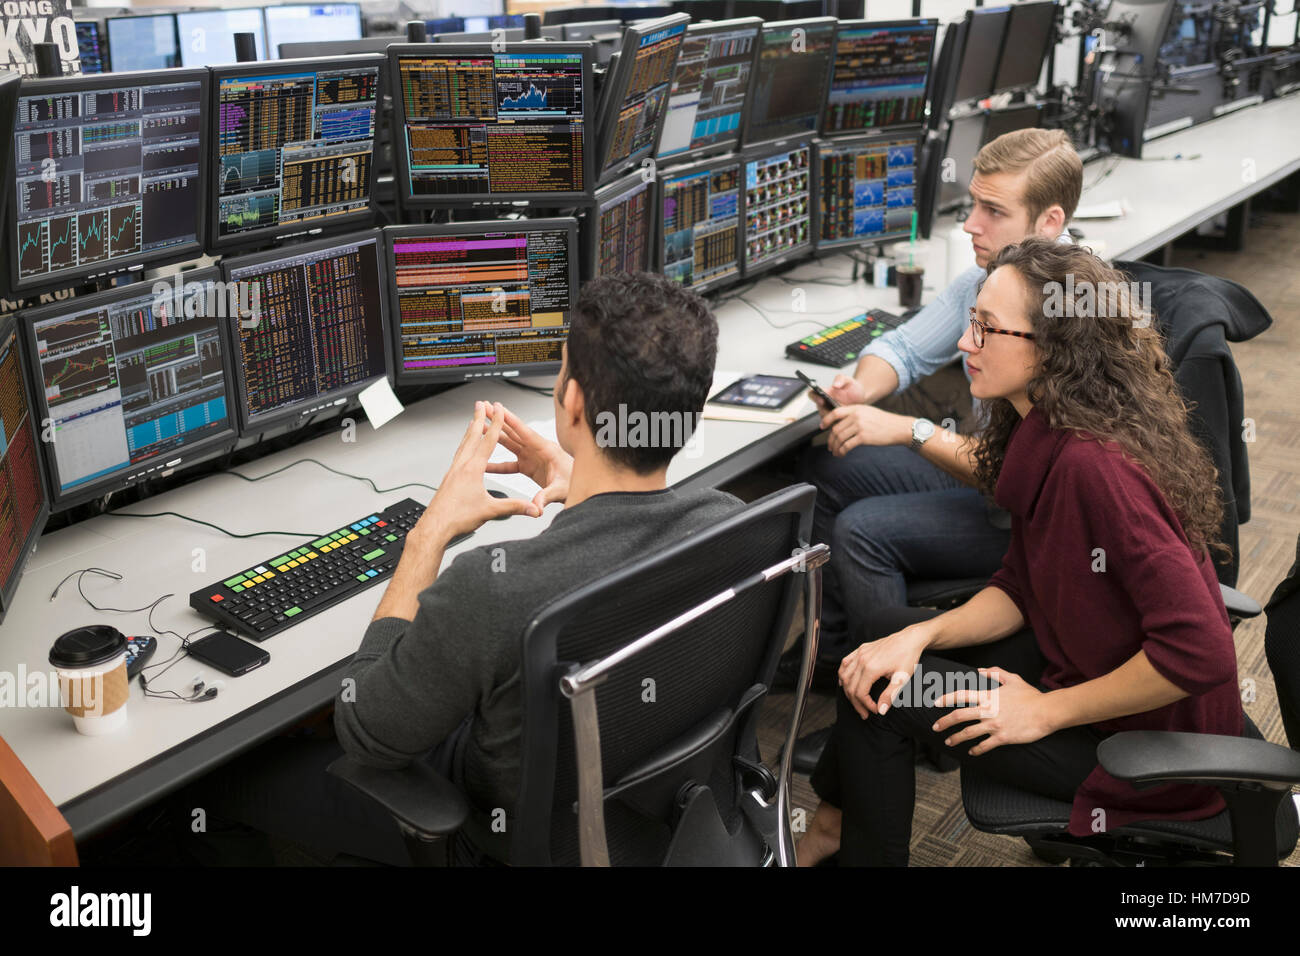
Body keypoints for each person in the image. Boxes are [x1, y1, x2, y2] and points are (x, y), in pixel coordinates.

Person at [186, 273, 743, 865]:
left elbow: (367, 729)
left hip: (496, 839)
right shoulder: (734, 526)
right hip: (659, 822)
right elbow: (621, 539)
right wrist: (578, 473)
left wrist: (428, 533)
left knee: (214, 783)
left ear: (573, 401)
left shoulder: (494, 586)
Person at [798, 237, 1244, 866]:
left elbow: (1202, 650)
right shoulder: (1046, 430)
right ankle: (836, 826)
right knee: (888, 649)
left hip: (1152, 752)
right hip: (1091, 674)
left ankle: (838, 837)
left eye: (985, 330)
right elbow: (1020, 585)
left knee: (887, 698)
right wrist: (921, 637)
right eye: (969, 323)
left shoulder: (1099, 469)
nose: (963, 343)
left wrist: (1044, 712)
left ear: (1053, 350)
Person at [794, 129, 1084, 677]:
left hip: (1027, 518)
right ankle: (832, 655)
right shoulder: (992, 277)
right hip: (988, 466)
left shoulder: (1066, 312)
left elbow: (1011, 478)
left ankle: (901, 697)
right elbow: (903, 346)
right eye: (973, 203)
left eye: (992, 210)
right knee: (829, 460)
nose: (970, 223)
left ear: (1048, 222)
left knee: (861, 531)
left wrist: (911, 430)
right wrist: (862, 391)